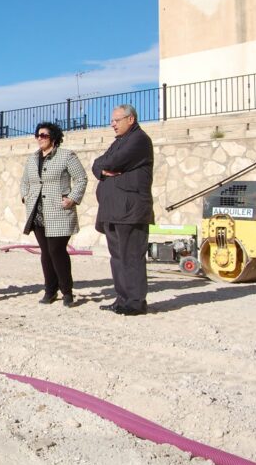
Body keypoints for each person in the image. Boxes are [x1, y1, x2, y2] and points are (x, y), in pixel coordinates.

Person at [92, 104, 155, 316]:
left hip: (131, 211)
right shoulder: (119, 141)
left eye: (116, 120)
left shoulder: (139, 140)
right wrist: (102, 168)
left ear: (130, 119)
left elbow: (114, 161)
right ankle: (122, 298)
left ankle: (136, 302)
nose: (112, 124)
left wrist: (105, 166)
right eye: (112, 120)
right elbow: (98, 164)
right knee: (117, 257)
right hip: (114, 210)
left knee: (132, 256)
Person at [20, 122, 87, 307]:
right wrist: (25, 196)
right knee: (46, 253)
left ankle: (67, 292)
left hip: (59, 212)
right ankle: (50, 291)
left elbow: (81, 178)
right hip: (37, 212)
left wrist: (72, 198)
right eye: (38, 135)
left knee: (57, 251)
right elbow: (25, 180)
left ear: (54, 138)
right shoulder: (32, 159)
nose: (40, 138)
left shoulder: (67, 156)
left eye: (44, 135)